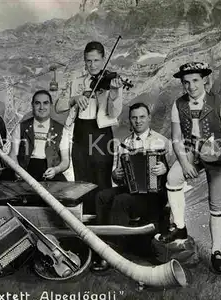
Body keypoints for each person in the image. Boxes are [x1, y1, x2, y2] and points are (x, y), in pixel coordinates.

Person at [159, 62, 221, 274]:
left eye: (195, 80)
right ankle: (180, 229)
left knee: (216, 204)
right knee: (173, 178)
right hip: (191, 149)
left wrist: (220, 153)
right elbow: (176, 138)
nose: (191, 86)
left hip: (216, 152)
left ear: (204, 79)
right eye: (186, 82)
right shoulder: (178, 104)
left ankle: (216, 252)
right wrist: (185, 162)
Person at [91, 102, 174, 272]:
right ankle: (101, 250)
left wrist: (165, 169)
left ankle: (114, 255)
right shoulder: (124, 144)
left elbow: (177, 173)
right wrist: (117, 174)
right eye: (134, 118)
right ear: (130, 120)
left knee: (121, 200)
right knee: (101, 196)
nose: (138, 121)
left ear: (149, 118)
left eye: (142, 117)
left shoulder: (162, 142)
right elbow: (117, 176)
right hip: (132, 190)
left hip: (154, 195)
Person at [54, 41, 126, 213]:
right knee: (81, 182)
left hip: (101, 135)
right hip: (80, 134)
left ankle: (104, 228)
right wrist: (74, 99)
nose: (92, 65)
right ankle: (85, 225)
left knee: (102, 182)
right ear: (84, 61)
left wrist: (114, 93)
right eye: (88, 61)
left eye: (96, 61)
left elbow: (114, 113)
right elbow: (58, 106)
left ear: (103, 60)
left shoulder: (111, 81)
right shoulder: (76, 81)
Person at [11, 90, 70, 181]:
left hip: (51, 173)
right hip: (26, 172)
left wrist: (56, 170)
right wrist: (17, 170)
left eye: (45, 103)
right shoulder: (20, 127)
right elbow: (12, 154)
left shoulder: (62, 130)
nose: (41, 107)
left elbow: (65, 161)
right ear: (32, 105)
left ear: (50, 105)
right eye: (37, 103)